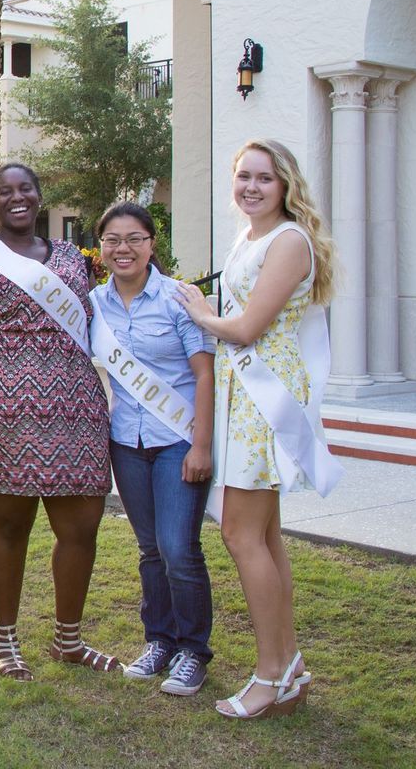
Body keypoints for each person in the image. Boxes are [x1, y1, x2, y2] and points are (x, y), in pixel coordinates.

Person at [174, 139, 340, 719]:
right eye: (243, 176)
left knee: (242, 536)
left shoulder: (289, 241)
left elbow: (246, 329)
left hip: (263, 398)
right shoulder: (252, 236)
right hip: (241, 394)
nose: (251, 186)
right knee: (263, 538)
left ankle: (271, 674)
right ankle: (286, 664)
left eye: (264, 178)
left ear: (286, 184)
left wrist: (197, 311)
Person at [0, 162, 114, 681]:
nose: (18, 198)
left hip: (74, 411)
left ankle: (69, 640)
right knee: (10, 526)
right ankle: (6, 640)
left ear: (39, 196)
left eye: (26, 189)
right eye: (6, 191)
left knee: (81, 527)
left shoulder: (73, 259)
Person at [90, 202, 216, 697]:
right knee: (149, 550)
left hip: (177, 440)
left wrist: (201, 444)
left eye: (134, 238)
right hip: (126, 440)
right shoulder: (94, 303)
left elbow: (205, 373)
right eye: (113, 240)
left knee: (178, 549)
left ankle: (193, 651)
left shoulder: (179, 299)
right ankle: (159, 640)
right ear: (101, 247)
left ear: (151, 244)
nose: (124, 248)